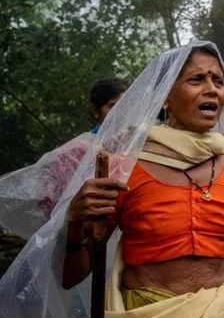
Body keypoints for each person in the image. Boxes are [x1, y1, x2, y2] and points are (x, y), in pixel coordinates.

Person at [0, 42, 224, 318]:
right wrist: (74, 220)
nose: (211, 89)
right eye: (196, 79)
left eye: (217, 80)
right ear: (164, 98)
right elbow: (73, 276)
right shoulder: (126, 166)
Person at [0, 77, 129, 239]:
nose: (121, 113)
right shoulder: (79, 149)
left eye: (126, 106)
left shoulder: (136, 146)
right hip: (82, 237)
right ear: (95, 111)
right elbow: (51, 198)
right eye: (113, 106)